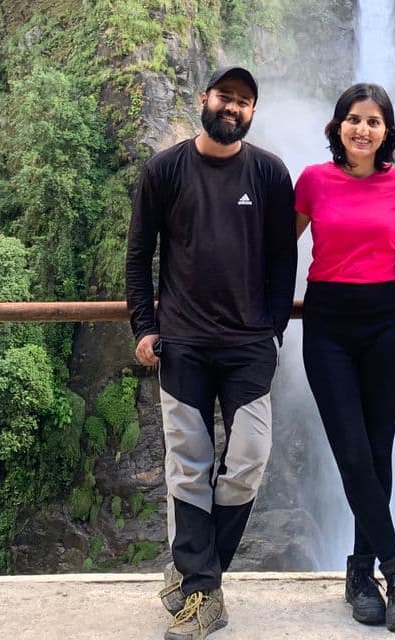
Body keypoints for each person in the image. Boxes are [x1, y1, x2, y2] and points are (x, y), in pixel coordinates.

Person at [126, 67, 297, 640]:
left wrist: (273, 331)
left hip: (249, 345)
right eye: (225, 97)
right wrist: (144, 326)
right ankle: (204, 593)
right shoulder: (165, 170)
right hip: (184, 344)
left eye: (244, 102)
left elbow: (281, 258)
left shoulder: (270, 173)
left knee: (247, 460)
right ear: (205, 100)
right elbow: (139, 255)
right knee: (188, 466)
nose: (233, 108)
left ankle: (196, 572)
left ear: (252, 111)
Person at [294, 83, 395, 631]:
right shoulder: (312, 181)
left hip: (387, 326)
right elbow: (276, 249)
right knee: (351, 451)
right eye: (353, 119)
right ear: (337, 127)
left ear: (387, 132)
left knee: (377, 453)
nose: (362, 129)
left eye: (373, 121)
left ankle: (359, 573)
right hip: (326, 325)